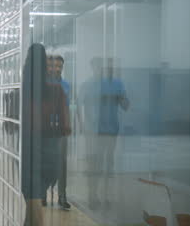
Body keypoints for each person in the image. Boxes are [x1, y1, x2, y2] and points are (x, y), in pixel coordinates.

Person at [21, 44, 70, 226]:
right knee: (34, 202)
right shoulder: (57, 91)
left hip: (26, 149)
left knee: (32, 199)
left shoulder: (20, 92)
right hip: (48, 149)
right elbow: (65, 127)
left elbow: (12, 125)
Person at [78, 57, 129, 209]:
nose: (104, 69)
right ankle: (92, 196)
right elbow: (79, 106)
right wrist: (83, 127)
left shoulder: (118, 84)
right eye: (99, 66)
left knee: (109, 164)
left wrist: (121, 98)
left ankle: (106, 196)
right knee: (94, 164)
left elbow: (126, 105)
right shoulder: (87, 85)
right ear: (93, 67)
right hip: (93, 132)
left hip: (111, 131)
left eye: (108, 67)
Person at [41, 55, 72, 210]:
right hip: (45, 128)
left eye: (59, 66)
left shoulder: (67, 85)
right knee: (45, 160)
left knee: (62, 163)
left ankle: (62, 196)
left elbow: (67, 107)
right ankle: (42, 194)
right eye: (53, 66)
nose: (56, 69)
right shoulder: (42, 84)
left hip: (60, 129)